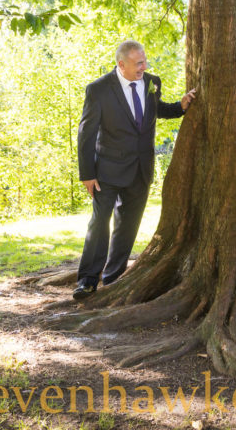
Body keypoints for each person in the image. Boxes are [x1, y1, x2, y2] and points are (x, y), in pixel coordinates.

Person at [74, 40, 196, 300]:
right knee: (99, 223)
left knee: (128, 225)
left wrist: (180, 107)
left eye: (144, 61)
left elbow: (156, 110)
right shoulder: (99, 89)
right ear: (121, 64)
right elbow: (86, 133)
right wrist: (87, 173)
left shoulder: (152, 82)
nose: (144, 66)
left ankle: (114, 277)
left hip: (141, 168)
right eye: (138, 63)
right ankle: (87, 280)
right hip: (106, 170)